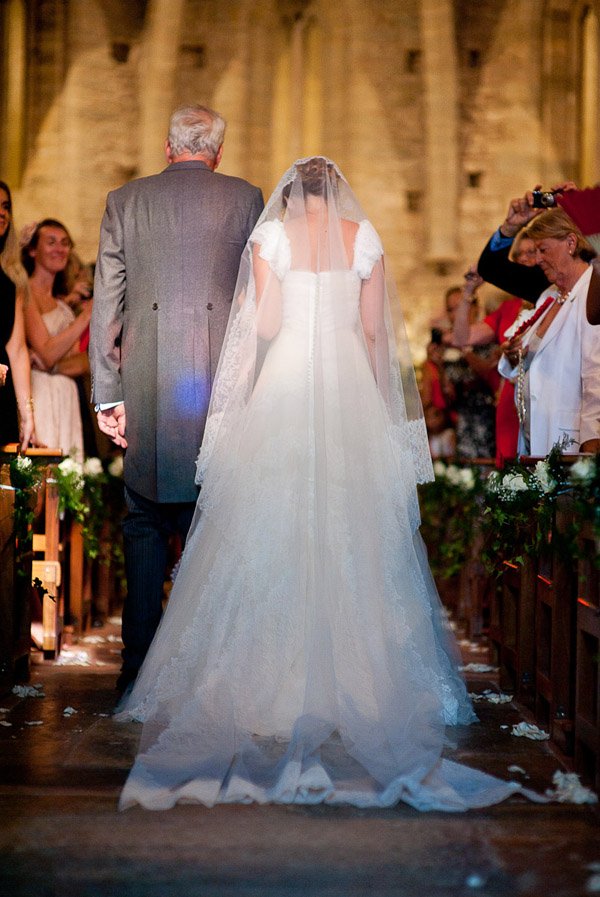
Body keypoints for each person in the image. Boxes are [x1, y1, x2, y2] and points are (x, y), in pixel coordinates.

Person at [115, 156, 538, 812]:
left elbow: (262, 326)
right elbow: (374, 334)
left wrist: (238, 388)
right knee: (356, 528)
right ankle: (367, 684)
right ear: (336, 192)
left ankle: (260, 683)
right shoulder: (362, 239)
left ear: (289, 195)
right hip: (346, 388)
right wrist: (383, 410)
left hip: (285, 381)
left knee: (265, 528)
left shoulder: (271, 240)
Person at [89, 103, 264, 697]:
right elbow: (256, 304)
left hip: (145, 384)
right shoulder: (246, 199)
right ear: (218, 151)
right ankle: (202, 674)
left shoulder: (125, 201)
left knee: (141, 521)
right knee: (209, 526)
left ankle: (137, 671)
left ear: (167, 148)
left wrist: (107, 396)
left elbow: (106, 307)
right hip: (218, 390)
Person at [478, 189, 600, 455]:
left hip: (572, 439)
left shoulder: (593, 291)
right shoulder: (548, 294)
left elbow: (595, 371)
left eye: (542, 250)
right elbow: (491, 268)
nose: (537, 259)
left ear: (570, 242)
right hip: (536, 436)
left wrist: (591, 440)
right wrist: (513, 356)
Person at [453, 236, 537, 465]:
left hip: (540, 397)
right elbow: (462, 337)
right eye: (520, 253)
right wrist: (468, 291)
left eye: (533, 251)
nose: (526, 258)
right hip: (511, 400)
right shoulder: (508, 308)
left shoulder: (553, 299)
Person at [21, 219, 92, 459]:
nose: (60, 249)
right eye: (51, 243)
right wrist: (87, 316)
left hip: (66, 395)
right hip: (40, 394)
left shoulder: (62, 305)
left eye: (64, 243)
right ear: (32, 250)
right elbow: (47, 351)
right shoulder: (25, 293)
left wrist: (54, 367)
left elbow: (83, 362)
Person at [0, 180, 35, 450]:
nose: (2, 213)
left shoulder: (12, 276)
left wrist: (27, 413)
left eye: (6, 206)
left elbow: (18, 349)